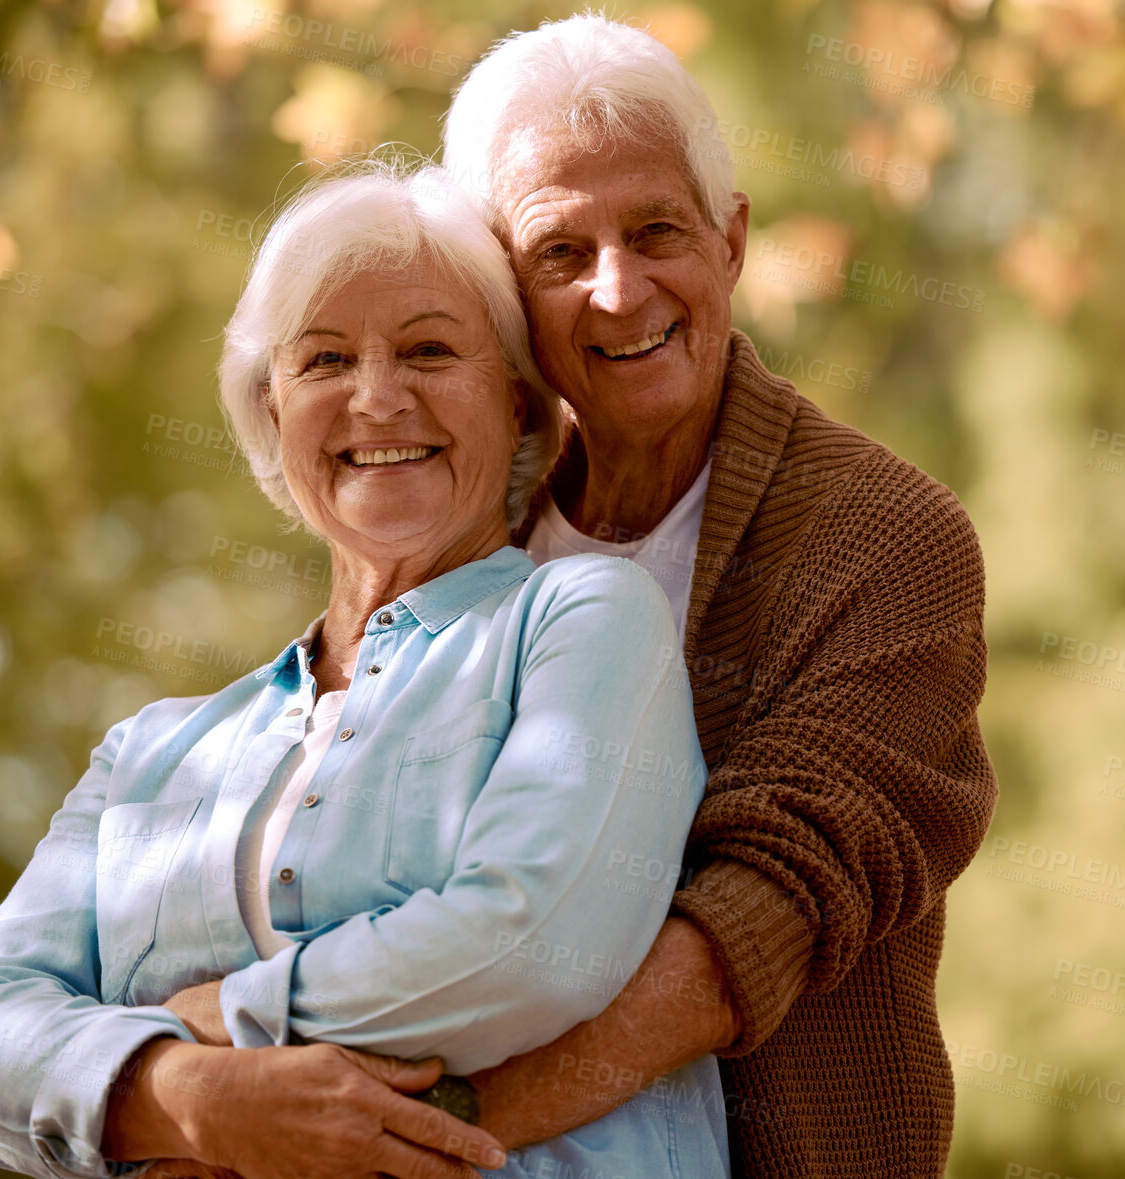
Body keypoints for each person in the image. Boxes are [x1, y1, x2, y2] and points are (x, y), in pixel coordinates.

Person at [0, 162, 731, 1179]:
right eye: (325, 360)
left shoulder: (585, 619)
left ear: (521, 408)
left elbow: (533, 939)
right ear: (272, 412)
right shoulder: (154, 753)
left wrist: (229, 1020)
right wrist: (181, 1096)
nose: (377, 399)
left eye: (430, 351)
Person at [436, 16, 1000, 1176]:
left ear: (731, 240)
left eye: (657, 232)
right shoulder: (456, 532)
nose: (618, 289)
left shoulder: (886, 540)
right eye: (558, 252)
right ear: (500, 292)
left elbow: (757, 916)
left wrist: (418, 1134)